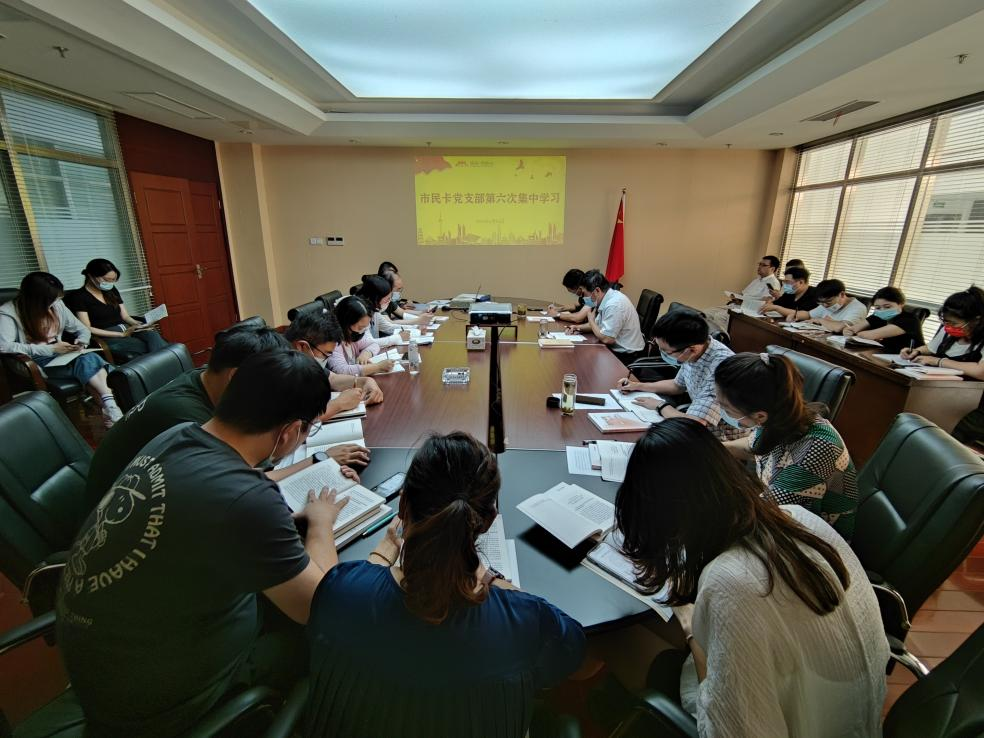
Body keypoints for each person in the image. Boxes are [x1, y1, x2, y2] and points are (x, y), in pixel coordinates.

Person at [57, 350, 351, 736]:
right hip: (156, 704)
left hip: (99, 669)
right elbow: (319, 606)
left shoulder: (176, 436)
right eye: (306, 430)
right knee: (338, 634)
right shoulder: (245, 499)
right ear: (289, 431)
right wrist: (321, 523)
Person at [615, 419, 888, 738]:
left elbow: (727, 728)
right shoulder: (796, 517)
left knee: (621, 638)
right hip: (853, 714)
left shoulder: (730, 583)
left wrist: (691, 632)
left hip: (799, 725)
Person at [305, 432, 587, 737]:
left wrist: (379, 554)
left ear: (403, 505)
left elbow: (343, 588)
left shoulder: (343, 591)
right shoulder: (526, 621)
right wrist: (491, 579)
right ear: (488, 520)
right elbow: (573, 655)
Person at [715, 352, 859, 539]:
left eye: (726, 408)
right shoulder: (779, 418)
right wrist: (712, 448)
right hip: (774, 514)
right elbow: (752, 447)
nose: (721, 410)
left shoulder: (816, 450)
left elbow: (767, 516)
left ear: (759, 415)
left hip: (813, 540)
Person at [0, 271, 122, 427]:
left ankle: (109, 408)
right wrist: (50, 350)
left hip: (62, 353)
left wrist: (82, 342)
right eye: (52, 299)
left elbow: (82, 329)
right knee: (90, 363)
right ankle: (112, 407)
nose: (56, 302)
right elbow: (4, 346)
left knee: (87, 360)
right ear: (36, 299)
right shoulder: (8, 313)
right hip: (34, 360)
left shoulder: (56, 305)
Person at [618, 310, 745, 440]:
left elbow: (695, 424)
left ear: (692, 349)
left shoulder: (722, 370)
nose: (662, 354)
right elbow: (677, 385)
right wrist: (638, 386)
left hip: (717, 438)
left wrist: (660, 406)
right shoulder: (696, 349)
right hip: (693, 422)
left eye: (666, 352)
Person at [64, 258, 169, 360]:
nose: (110, 283)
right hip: (108, 336)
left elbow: (125, 316)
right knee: (146, 346)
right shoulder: (79, 296)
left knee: (153, 336)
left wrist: (139, 325)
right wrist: (121, 334)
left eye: (113, 280)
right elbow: (87, 328)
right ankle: (167, 364)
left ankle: (165, 363)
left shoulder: (111, 290)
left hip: (128, 329)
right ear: (91, 276)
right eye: (106, 280)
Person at [284, 309, 384, 406]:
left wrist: (365, 381)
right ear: (302, 346)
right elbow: (295, 415)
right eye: (325, 354)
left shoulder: (301, 359)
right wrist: (339, 404)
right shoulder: (280, 368)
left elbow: (332, 378)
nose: (326, 359)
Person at [900, 286, 984, 381]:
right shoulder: (947, 328)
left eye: (954, 323)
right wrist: (916, 351)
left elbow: (981, 372)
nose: (948, 327)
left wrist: (938, 361)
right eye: (946, 322)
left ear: (976, 320)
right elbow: (931, 348)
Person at [567, 269, 645, 364]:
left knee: (584, 361)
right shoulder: (606, 299)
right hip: (616, 350)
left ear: (597, 291)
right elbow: (598, 326)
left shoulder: (613, 305)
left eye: (584, 294)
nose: (583, 298)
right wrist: (577, 327)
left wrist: (591, 320)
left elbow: (607, 339)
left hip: (627, 357)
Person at [842, 286, 924, 353]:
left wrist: (859, 333)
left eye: (887, 307)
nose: (882, 310)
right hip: (883, 354)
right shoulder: (878, 316)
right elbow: (852, 329)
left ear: (901, 304)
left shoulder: (909, 320)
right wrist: (848, 331)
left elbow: (869, 335)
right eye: (878, 308)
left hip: (910, 360)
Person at [326, 296, 395, 376]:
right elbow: (341, 370)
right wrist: (377, 367)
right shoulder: (332, 340)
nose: (362, 331)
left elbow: (374, 344)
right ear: (346, 323)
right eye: (360, 327)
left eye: (365, 327)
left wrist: (367, 353)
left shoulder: (353, 334)